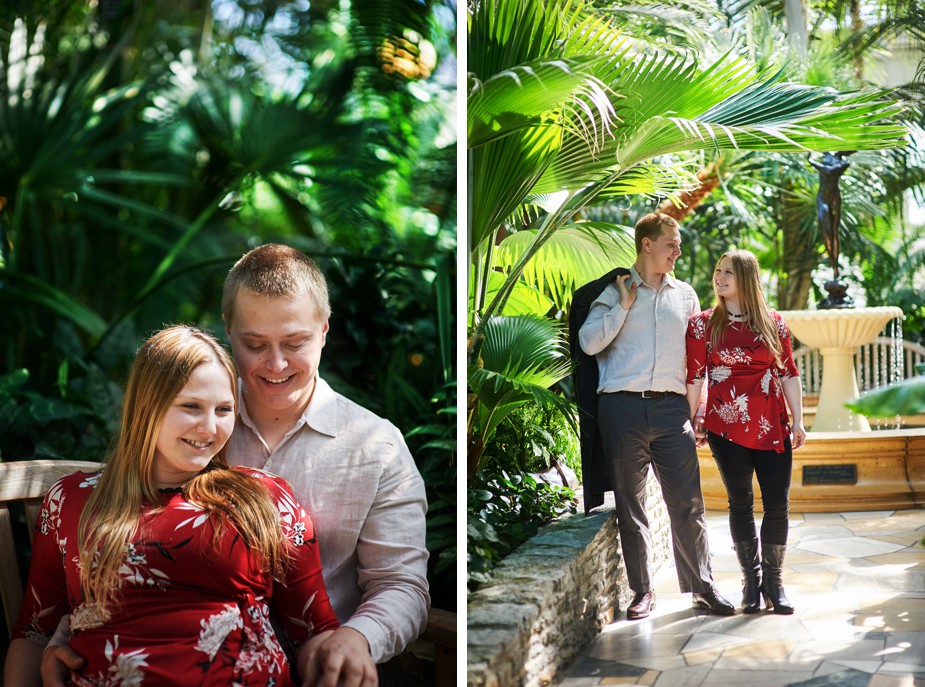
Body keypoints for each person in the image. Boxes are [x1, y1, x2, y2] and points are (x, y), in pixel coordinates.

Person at [41, 244, 430, 686]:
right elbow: (123, 538)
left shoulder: (376, 446)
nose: (277, 363)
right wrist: (68, 637)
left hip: (323, 668)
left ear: (324, 329)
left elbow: (402, 584)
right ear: (228, 331)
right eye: (254, 344)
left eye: (296, 342)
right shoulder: (189, 428)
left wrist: (356, 638)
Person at [4, 325, 342, 687]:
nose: (209, 427)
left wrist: (345, 655)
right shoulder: (73, 501)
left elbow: (314, 630)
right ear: (146, 406)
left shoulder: (264, 499)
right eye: (191, 406)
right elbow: (34, 633)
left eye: (224, 409)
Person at [577, 212, 734, 620]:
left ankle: (703, 586)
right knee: (632, 508)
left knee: (689, 503)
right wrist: (623, 308)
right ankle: (642, 591)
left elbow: (697, 360)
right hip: (621, 408)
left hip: (670, 409)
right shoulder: (614, 292)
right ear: (647, 244)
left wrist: (698, 409)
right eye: (671, 243)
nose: (678, 250)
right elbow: (589, 342)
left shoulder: (686, 296)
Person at [685, 249, 806, 615]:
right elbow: (695, 376)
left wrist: (798, 420)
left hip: (772, 426)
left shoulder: (773, 323)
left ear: (747, 280)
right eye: (718, 271)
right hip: (725, 427)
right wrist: (691, 419)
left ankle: (775, 583)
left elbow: (788, 372)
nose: (719, 278)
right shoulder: (702, 325)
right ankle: (751, 584)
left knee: (778, 505)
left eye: (728, 273)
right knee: (740, 504)